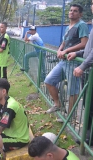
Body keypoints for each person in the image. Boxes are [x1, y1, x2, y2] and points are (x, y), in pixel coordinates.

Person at [44, 4, 89, 114]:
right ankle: (57, 104)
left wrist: (67, 51)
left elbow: (84, 43)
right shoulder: (68, 27)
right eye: (71, 10)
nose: (72, 12)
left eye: (75, 11)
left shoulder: (81, 25)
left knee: (72, 91)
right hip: (64, 61)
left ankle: (70, 117)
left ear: (80, 14)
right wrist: (60, 50)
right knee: (49, 81)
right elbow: (64, 42)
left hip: (74, 62)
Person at [67, 1, 93, 145]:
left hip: (89, 69)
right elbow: (89, 49)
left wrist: (82, 65)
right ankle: (88, 134)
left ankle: (89, 137)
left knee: (91, 106)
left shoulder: (82, 25)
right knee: (87, 105)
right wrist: (77, 53)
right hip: (88, 70)